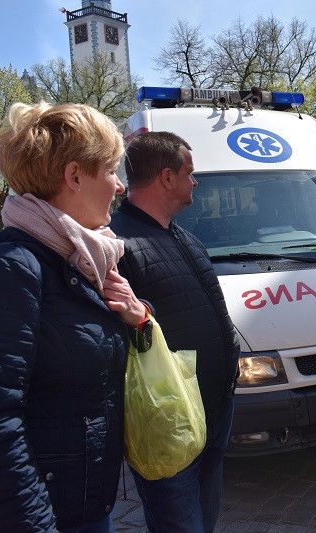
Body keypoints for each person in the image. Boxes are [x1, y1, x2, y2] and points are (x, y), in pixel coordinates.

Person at [0, 101, 143, 531]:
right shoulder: (13, 266)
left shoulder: (75, 258)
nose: (118, 186)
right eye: (111, 170)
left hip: (84, 502)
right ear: (74, 176)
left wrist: (136, 319)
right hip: (51, 515)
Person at [109, 131, 240, 533]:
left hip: (214, 409)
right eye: (190, 172)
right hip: (168, 421)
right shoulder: (117, 243)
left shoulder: (183, 236)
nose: (195, 182)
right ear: (167, 177)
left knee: (205, 518)